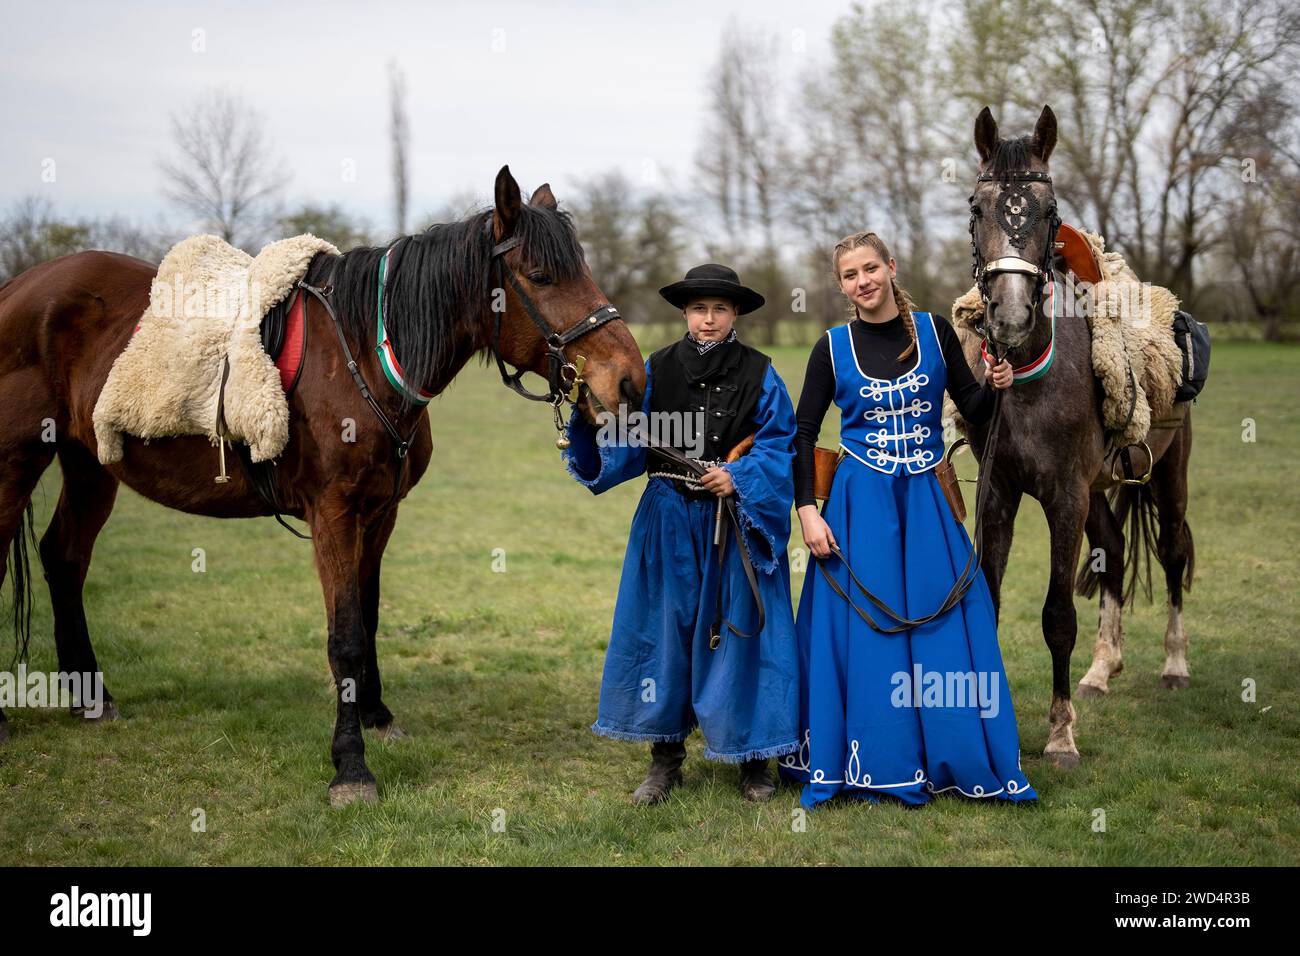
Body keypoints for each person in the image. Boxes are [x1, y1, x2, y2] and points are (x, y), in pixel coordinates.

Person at [779, 231, 1038, 810]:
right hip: (858, 504)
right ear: (842, 285)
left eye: (870, 268)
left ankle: (954, 754)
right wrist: (807, 512)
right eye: (850, 275)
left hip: (926, 499)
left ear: (891, 268)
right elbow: (801, 432)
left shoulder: (935, 334)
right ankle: (878, 757)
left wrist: (996, 389)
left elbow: (971, 408)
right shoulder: (832, 346)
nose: (862, 281)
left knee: (948, 622)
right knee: (867, 634)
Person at [562, 263, 800, 804]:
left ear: (734, 313)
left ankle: (754, 760)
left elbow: (780, 445)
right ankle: (664, 759)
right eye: (698, 309)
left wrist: (737, 476)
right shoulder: (656, 369)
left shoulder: (762, 374)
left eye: (718, 308)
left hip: (736, 521)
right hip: (668, 519)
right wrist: (586, 421)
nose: (708, 319)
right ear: (686, 314)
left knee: (741, 634)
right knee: (662, 636)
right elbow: (628, 439)